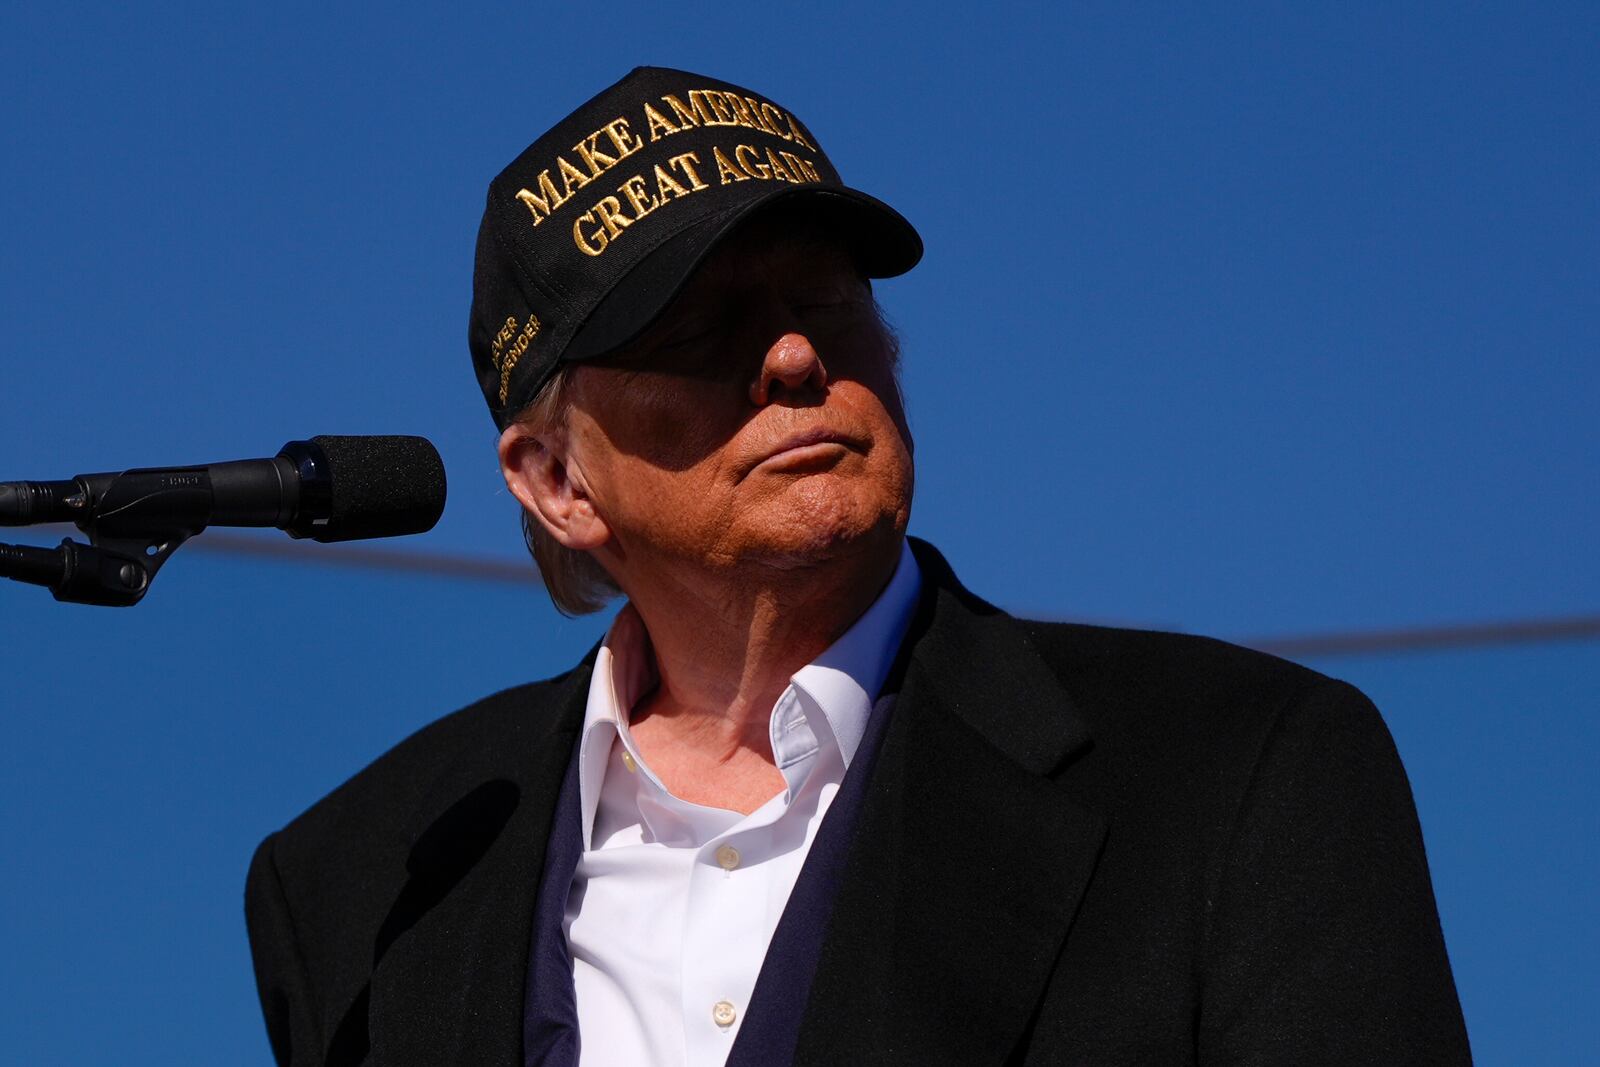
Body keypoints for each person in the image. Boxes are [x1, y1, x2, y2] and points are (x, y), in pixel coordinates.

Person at [245, 66, 1472, 1066]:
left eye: (825, 299)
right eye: (696, 327)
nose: (789, 354)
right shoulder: (367, 877)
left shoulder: (1239, 775)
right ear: (558, 481)